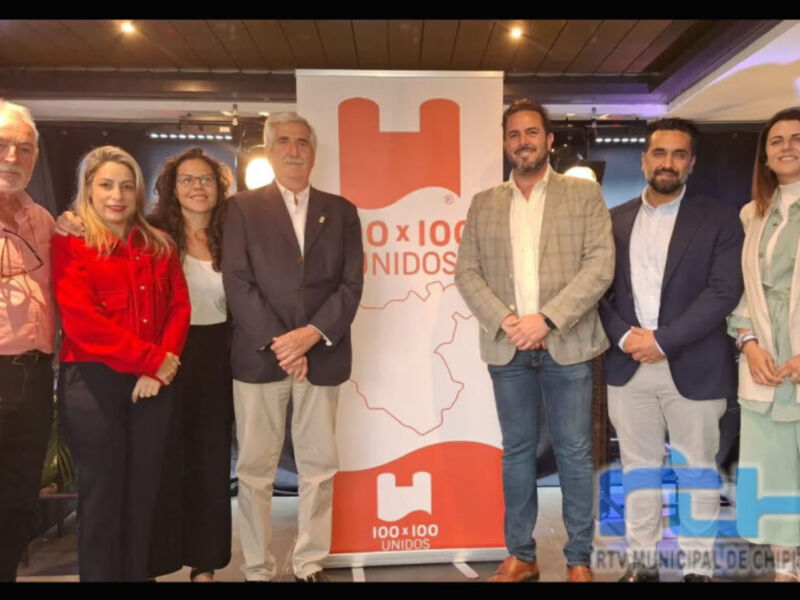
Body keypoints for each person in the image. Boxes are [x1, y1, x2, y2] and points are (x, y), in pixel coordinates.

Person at [454, 98, 614, 582]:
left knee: (575, 453)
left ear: (548, 140)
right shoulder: (484, 203)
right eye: (513, 135)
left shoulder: (583, 196)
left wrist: (545, 320)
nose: (522, 142)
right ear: (506, 144)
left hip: (568, 343)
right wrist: (509, 322)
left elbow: (599, 266)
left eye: (531, 133)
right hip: (509, 348)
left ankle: (579, 559)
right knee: (518, 452)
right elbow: (468, 272)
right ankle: (520, 554)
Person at [599, 118, 743, 582]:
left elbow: (723, 293)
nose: (668, 163)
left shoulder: (720, 218)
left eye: (679, 154)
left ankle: (698, 567)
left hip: (694, 365)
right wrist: (626, 337)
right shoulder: (613, 220)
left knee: (698, 470)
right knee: (638, 469)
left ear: (692, 163)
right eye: (659, 153)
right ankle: (642, 563)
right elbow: (599, 293)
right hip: (628, 365)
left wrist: (662, 340)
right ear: (644, 159)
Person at [222, 112, 363, 582]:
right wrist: (283, 344)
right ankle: (258, 567)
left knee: (319, 466)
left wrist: (309, 337)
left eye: (302, 141)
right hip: (260, 357)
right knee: (256, 469)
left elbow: (350, 285)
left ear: (314, 151)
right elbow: (237, 283)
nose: (294, 149)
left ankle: (308, 563)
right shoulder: (241, 208)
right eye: (283, 141)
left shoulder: (341, 210)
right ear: (269, 149)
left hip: (321, 355)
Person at [52, 146, 190, 581]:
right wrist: (152, 360)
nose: (117, 195)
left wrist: (158, 369)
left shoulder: (159, 245)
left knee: (142, 495)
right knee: (103, 497)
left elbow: (179, 308)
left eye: (127, 186)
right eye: (106, 185)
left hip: (152, 384)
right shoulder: (70, 242)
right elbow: (81, 322)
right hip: (94, 385)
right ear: (88, 190)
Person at [146, 148, 233, 582]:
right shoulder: (152, 232)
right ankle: (158, 560)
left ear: (219, 187)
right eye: (188, 179)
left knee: (211, 460)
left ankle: (206, 564)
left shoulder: (234, 231)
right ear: (172, 188)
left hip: (220, 351)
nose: (198, 187)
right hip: (168, 352)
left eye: (206, 179)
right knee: (165, 457)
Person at [729, 107, 800, 582]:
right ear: (765, 155)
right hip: (767, 362)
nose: (786, 146)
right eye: (776, 141)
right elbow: (746, 291)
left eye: (797, 137)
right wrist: (749, 344)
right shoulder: (752, 213)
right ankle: (786, 568)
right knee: (773, 470)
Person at [0, 100, 55, 582]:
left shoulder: (43, 220)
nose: (13, 157)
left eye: (24, 148)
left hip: (34, 375)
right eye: (2, 146)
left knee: (18, 497)